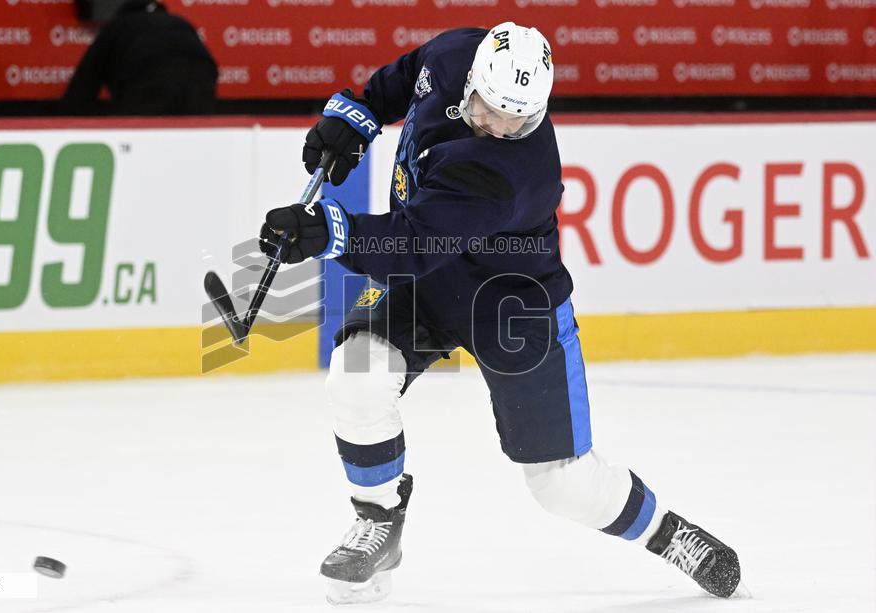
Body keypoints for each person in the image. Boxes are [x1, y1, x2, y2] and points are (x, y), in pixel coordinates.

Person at [258, 23, 744, 605]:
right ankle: (379, 522)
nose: (500, 126)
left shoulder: (511, 171)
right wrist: (354, 116)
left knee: (561, 485)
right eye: (490, 109)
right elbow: (408, 76)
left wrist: (325, 231)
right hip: (430, 290)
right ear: (473, 78)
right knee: (356, 378)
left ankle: (668, 534)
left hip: (513, 305)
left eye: (518, 118)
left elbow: (413, 245)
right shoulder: (455, 51)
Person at [60, 0, 217, 116]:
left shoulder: (117, 27)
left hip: (149, 91)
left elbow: (78, 95)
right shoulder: (181, 23)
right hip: (202, 89)